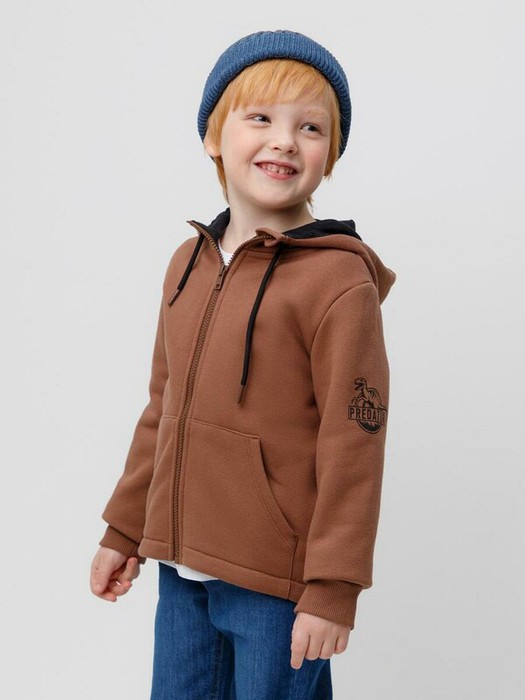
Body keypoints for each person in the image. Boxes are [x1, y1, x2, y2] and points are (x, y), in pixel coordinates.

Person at [90, 29, 396, 699]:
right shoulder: (188, 264)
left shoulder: (338, 283)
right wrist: (125, 527)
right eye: (260, 118)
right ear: (213, 136)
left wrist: (333, 587)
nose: (284, 141)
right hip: (182, 572)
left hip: (277, 584)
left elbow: (353, 445)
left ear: (329, 155)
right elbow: (161, 407)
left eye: (310, 128)